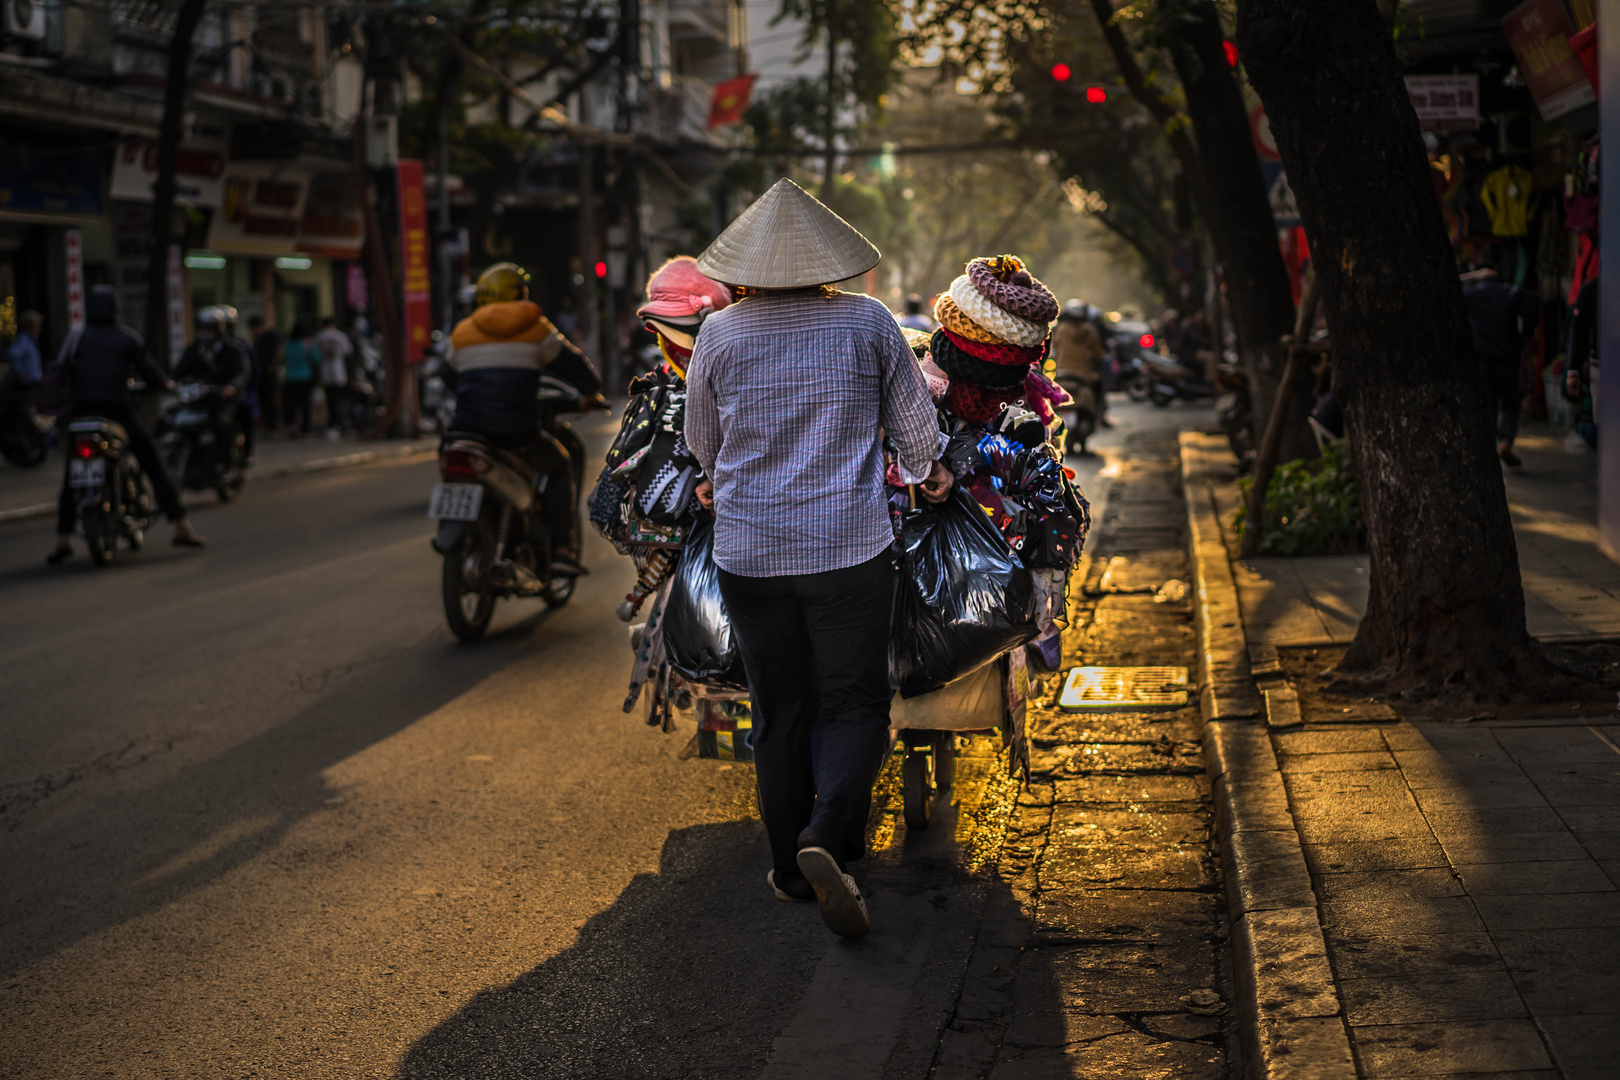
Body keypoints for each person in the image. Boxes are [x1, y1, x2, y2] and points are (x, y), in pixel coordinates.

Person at [684, 178, 953, 939]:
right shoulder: (869, 323)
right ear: (827, 260)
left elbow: (703, 444)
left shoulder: (721, 334)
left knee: (780, 707)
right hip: (848, 550)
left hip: (749, 550)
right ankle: (826, 837)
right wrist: (924, 473)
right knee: (854, 701)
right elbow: (916, 438)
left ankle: (788, 867)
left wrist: (727, 478)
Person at [446, 262, 605, 576]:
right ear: (521, 294)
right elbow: (573, 367)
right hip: (517, 434)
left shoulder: (462, 332)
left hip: (467, 433)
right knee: (559, 466)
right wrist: (590, 392)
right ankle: (562, 549)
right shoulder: (535, 327)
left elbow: (449, 378)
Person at [47, 286, 204, 563]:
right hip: (117, 411)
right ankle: (181, 526)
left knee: (73, 473)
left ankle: (61, 540)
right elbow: (151, 373)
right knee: (152, 462)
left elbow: (61, 370)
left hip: (81, 414)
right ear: (114, 309)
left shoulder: (76, 336)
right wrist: (166, 386)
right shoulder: (126, 338)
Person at [1461, 265, 1538, 468]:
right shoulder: (1511, 292)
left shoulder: (1471, 293)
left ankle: (1487, 449)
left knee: (1488, 405)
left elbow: (1453, 282)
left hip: (1481, 358)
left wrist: (1472, 275)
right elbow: (1532, 315)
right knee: (1510, 403)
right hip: (1508, 356)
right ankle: (1505, 442)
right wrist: (1522, 338)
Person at [1052, 299, 1108, 427]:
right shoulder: (1090, 331)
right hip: (1085, 376)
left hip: (1062, 374)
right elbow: (1098, 354)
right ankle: (1100, 414)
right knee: (1100, 386)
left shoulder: (1061, 329)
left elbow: (1055, 347)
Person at [314, 316, 355, 439]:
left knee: (331, 401)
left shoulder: (319, 336)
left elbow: (315, 354)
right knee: (339, 400)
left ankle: (333, 423)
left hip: (326, 372)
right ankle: (341, 424)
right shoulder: (340, 335)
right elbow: (349, 351)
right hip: (338, 372)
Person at [281, 320, 317, 435]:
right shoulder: (307, 344)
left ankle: (292, 426)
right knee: (305, 404)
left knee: (291, 404)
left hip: (290, 377)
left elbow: (282, 359)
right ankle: (305, 429)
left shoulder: (287, 344)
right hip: (305, 377)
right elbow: (317, 358)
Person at [249, 313, 283, 432]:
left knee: (270, 399)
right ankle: (267, 424)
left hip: (269, 372)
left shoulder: (272, 335)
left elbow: (278, 350)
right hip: (260, 372)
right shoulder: (258, 337)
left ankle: (273, 424)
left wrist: (273, 365)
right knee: (263, 399)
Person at [6, 310, 44, 387]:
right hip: (28, 384)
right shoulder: (23, 340)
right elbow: (12, 355)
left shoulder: (31, 340)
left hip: (34, 382)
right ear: (29, 325)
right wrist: (21, 372)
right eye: (36, 324)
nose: (39, 327)